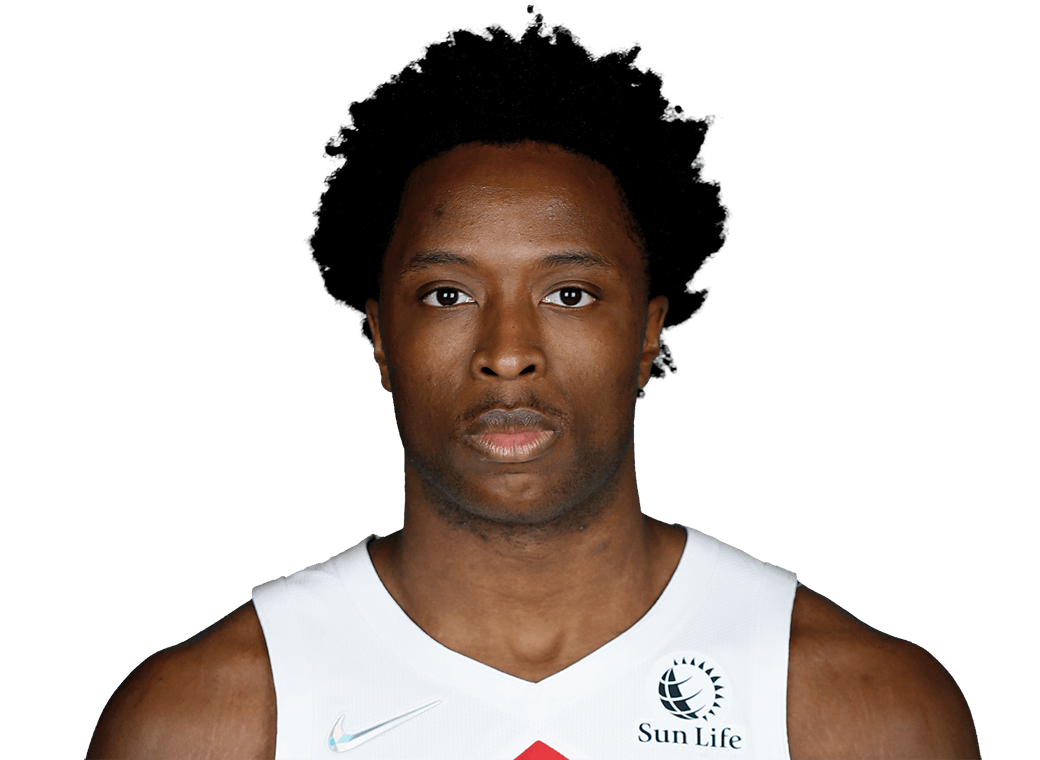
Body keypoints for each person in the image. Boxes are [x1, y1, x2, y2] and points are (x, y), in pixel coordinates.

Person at [86, 6, 980, 759]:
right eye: (447, 294)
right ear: (380, 338)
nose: (508, 351)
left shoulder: (859, 710)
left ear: (648, 333)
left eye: (568, 293)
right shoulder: (204, 721)